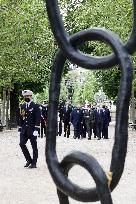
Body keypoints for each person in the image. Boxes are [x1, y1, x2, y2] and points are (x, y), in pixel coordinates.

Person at [18, 90, 41, 168]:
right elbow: (21, 117)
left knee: (34, 146)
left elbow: (38, 118)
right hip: (24, 129)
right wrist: (20, 128)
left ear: (31, 96)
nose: (25, 98)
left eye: (27, 96)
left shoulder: (35, 106)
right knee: (21, 144)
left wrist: (36, 129)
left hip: (32, 130)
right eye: (24, 96)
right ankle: (29, 160)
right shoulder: (23, 106)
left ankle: (34, 163)